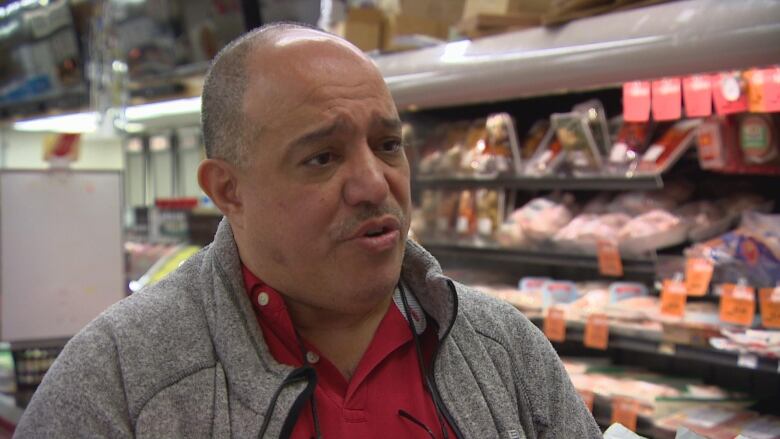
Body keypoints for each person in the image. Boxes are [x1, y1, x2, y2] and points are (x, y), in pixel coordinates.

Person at [15, 23, 600, 438]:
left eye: (388, 145)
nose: (374, 184)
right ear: (228, 190)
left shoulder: (505, 349)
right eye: (322, 157)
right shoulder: (115, 380)